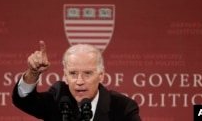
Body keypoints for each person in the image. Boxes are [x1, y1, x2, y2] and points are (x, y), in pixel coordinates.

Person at [12, 40, 141, 121]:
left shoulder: (122, 107)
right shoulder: (59, 97)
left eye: (87, 73)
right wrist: (33, 73)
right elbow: (24, 100)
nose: (79, 81)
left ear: (101, 75)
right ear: (65, 76)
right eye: (73, 74)